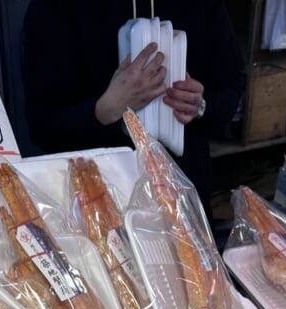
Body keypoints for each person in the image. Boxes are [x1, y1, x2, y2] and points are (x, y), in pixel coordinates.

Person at [21, 0, 244, 213]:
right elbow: (42, 126)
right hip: (98, 198)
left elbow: (231, 92)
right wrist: (102, 112)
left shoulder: (202, 5)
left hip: (184, 193)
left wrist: (201, 106)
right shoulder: (56, 8)